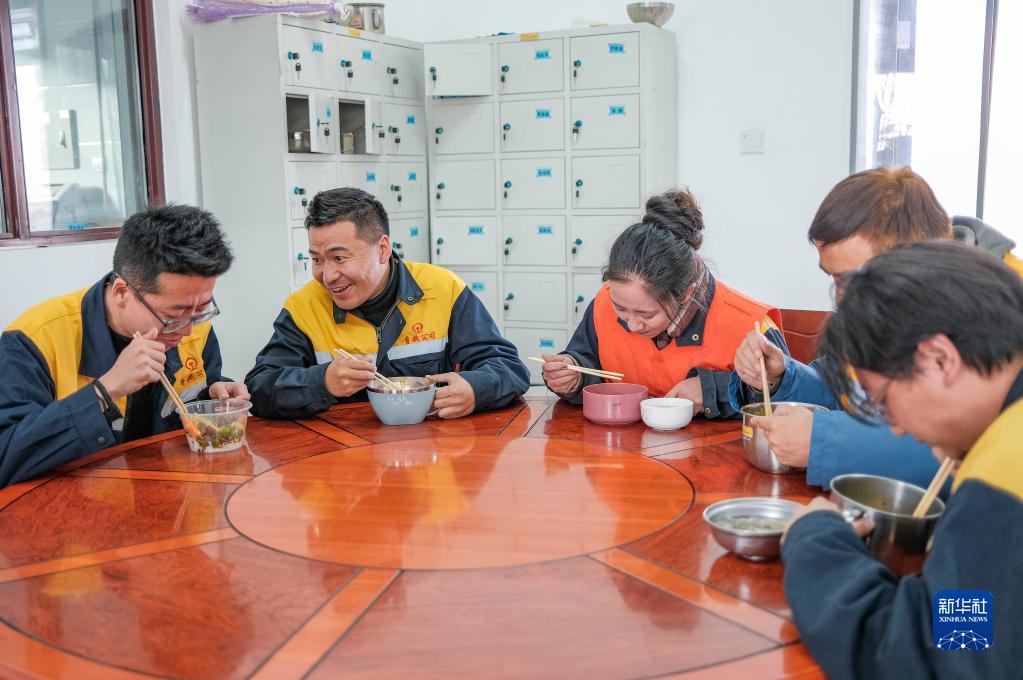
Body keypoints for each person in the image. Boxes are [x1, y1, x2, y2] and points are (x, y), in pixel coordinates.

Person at [779, 241, 1023, 679]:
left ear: (940, 359)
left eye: (884, 402)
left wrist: (816, 542)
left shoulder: (1005, 472)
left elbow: (941, 652)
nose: (895, 428)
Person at [729, 166, 1022, 488]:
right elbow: (852, 389)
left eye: (850, 279)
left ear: (909, 258)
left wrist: (824, 440)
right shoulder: (893, 306)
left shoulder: (1004, 309)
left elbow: (968, 440)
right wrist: (784, 376)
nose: (841, 299)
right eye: (832, 278)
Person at [0, 205, 246, 488]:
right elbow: (5, 455)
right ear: (121, 292)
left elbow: (193, 396)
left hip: (171, 495)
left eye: (201, 309)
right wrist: (105, 390)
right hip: (72, 505)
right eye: (173, 314)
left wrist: (216, 391)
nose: (188, 329)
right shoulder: (34, 339)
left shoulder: (193, 327)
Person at [246, 188, 529, 419]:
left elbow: (508, 367)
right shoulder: (304, 307)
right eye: (317, 259)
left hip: (433, 456)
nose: (327, 276)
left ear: (382, 249)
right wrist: (321, 381)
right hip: (341, 460)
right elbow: (259, 388)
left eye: (339, 258)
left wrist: (476, 389)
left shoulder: (443, 289)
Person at [542, 188, 788, 418]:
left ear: (686, 293)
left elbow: (786, 397)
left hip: (715, 448)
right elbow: (588, 360)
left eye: (646, 314)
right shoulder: (604, 301)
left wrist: (712, 390)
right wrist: (574, 374)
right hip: (619, 445)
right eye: (621, 309)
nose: (632, 325)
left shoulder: (750, 323)